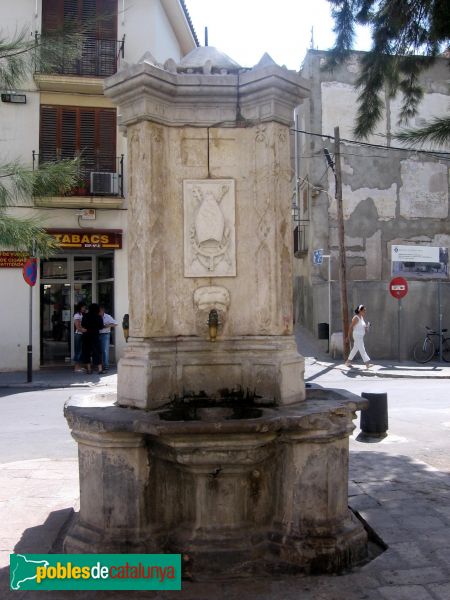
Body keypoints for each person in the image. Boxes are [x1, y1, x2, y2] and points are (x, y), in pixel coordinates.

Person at [345, 304, 372, 369]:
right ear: (360, 311)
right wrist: (348, 337)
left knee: (355, 349)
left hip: (360, 336)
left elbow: (363, 328)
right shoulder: (356, 318)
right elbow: (351, 327)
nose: (365, 312)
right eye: (364, 310)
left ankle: (347, 362)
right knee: (362, 349)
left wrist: (367, 326)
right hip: (357, 336)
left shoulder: (361, 318)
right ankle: (367, 364)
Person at [81, 303, 104, 374]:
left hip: (87, 335)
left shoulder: (85, 316)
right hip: (95, 335)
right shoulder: (98, 317)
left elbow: (83, 325)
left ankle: (89, 369)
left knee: (87, 351)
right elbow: (101, 327)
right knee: (97, 352)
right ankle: (100, 369)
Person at [99, 305, 118, 372]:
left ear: (103, 310)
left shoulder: (108, 316)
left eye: (100, 311)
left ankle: (106, 366)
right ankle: (100, 365)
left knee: (105, 350)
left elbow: (116, 323)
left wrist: (108, 325)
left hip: (105, 334)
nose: (99, 312)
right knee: (99, 351)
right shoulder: (97, 316)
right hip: (97, 334)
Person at [73, 301, 87, 372]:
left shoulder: (82, 314)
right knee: (78, 351)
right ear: (80, 307)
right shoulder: (77, 315)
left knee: (81, 351)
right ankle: (76, 367)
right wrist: (86, 330)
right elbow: (78, 327)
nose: (84, 308)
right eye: (83, 307)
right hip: (78, 334)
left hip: (81, 334)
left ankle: (79, 366)